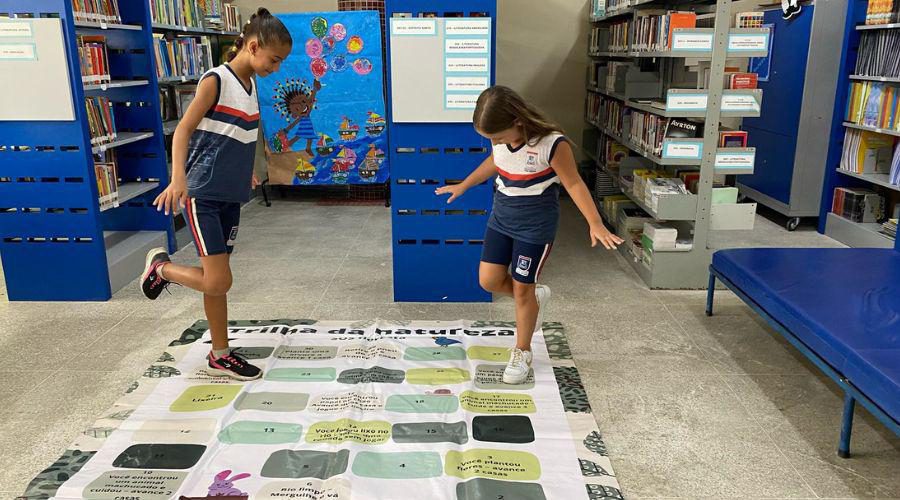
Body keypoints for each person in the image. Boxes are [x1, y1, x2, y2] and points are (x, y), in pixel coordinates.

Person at [139, 8, 293, 381]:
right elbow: (182, 132)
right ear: (253, 46)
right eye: (274, 59)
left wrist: (250, 173)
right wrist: (178, 179)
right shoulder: (215, 81)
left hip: (230, 195)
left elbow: (239, 137)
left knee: (216, 276)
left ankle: (220, 354)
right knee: (219, 280)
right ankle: (162, 269)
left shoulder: (252, 85)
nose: (276, 68)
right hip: (202, 194)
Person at [437, 86, 624, 384]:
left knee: (522, 289)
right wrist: (464, 185)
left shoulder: (552, 144)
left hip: (535, 228)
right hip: (501, 220)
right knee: (488, 280)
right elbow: (495, 162)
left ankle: (522, 351)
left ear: (518, 122)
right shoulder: (499, 142)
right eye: (490, 139)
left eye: (498, 137)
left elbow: (574, 184)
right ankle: (534, 298)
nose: (495, 142)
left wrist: (595, 222)